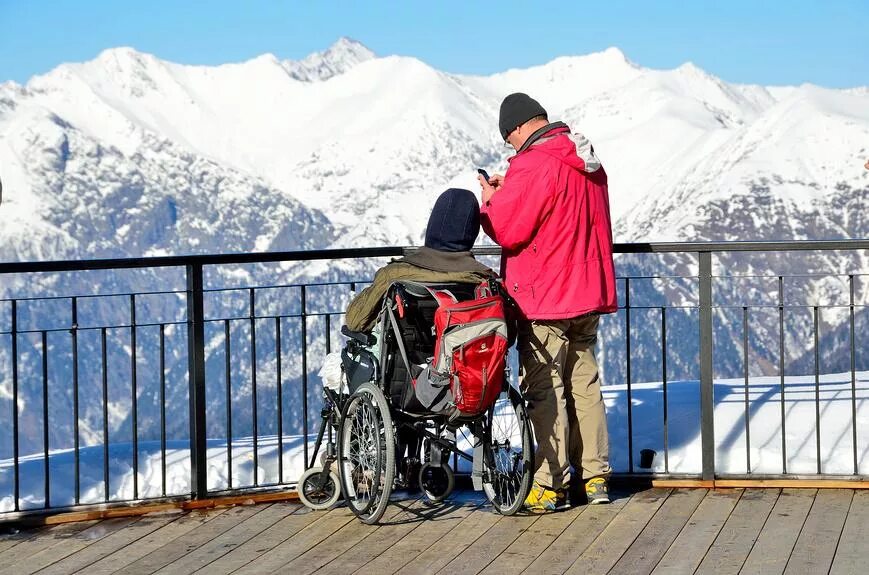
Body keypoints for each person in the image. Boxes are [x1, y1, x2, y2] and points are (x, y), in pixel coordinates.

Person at [478, 93, 617, 511]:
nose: (510, 146)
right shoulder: (587, 160)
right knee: (584, 384)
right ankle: (595, 478)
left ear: (519, 127)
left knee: (545, 389)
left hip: (545, 298)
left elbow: (508, 229)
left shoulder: (533, 164)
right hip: (587, 290)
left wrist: (490, 199)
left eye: (509, 137)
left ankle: (549, 484)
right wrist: (510, 191)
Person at [344, 187, 494, 333]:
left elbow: (355, 321)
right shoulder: (485, 281)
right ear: (472, 231)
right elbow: (507, 334)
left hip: (408, 358)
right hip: (467, 357)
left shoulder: (395, 274)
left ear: (433, 225)